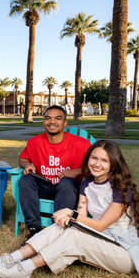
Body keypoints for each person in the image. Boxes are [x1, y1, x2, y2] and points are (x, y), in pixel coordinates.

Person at [0, 140, 139, 278]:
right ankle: (11, 258)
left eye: (104, 160)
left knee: (74, 235)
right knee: (62, 227)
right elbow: (81, 215)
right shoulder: (87, 183)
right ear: (87, 159)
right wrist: (68, 219)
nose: (97, 164)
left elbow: (100, 224)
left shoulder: (120, 189)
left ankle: (24, 269)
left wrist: (70, 214)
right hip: (102, 239)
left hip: (124, 253)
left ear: (113, 165)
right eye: (94, 158)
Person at [18, 105, 91, 245]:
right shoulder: (34, 142)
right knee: (26, 180)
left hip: (69, 190)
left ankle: (57, 229)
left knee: (66, 182)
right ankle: (34, 229)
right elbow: (23, 158)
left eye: (58, 118)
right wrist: (27, 165)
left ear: (65, 123)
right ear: (43, 122)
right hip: (45, 186)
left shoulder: (81, 144)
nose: (52, 122)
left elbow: (98, 166)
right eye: (48, 118)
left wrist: (77, 171)